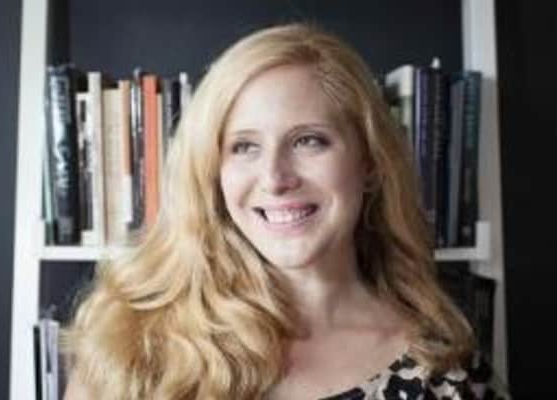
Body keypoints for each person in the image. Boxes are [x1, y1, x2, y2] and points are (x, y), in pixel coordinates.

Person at [63, 23, 509, 399]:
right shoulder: (130, 345)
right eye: (244, 147)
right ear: (212, 171)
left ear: (370, 162)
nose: (275, 178)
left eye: (308, 140)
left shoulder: (445, 371)